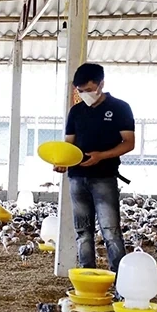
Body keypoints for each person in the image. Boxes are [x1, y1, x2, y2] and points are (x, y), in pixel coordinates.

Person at [55, 63, 135, 272]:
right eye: (81, 91)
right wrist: (62, 161)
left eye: (89, 90)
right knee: (83, 231)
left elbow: (129, 143)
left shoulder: (120, 108)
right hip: (77, 177)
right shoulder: (76, 111)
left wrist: (101, 156)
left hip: (104, 176)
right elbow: (69, 144)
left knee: (111, 230)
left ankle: (119, 279)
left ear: (101, 84)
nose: (85, 95)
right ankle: (86, 276)